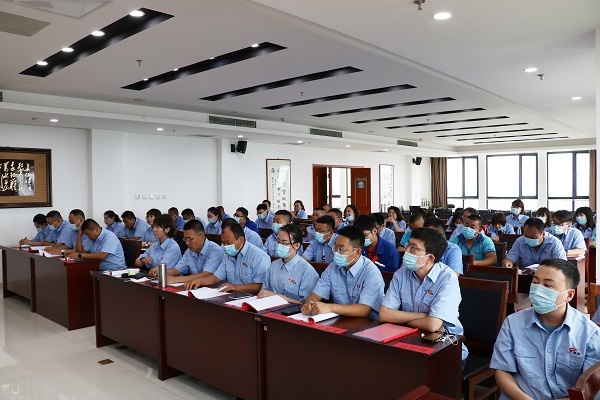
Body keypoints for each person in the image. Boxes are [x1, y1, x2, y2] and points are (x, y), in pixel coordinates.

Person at [490, 258, 600, 400]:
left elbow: (589, 390)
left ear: (569, 295)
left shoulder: (590, 334)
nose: (538, 290)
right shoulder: (513, 323)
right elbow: (502, 371)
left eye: (548, 285)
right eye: (535, 283)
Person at [379, 228, 468, 361]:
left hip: (446, 345)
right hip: (409, 340)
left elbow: (432, 325)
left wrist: (400, 319)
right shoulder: (401, 274)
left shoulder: (447, 278)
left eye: (414, 248)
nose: (407, 251)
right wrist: (423, 316)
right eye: (408, 245)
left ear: (430, 258)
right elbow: (384, 314)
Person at [301, 226, 384, 320]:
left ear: (357, 252)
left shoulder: (371, 272)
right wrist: (309, 305)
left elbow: (364, 310)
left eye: (341, 249)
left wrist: (330, 307)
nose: (336, 252)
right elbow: (315, 295)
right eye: (335, 247)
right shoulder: (332, 268)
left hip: (367, 323)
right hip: (339, 319)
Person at [149, 219, 224, 289]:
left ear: (201, 237)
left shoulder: (215, 250)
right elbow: (176, 270)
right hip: (195, 289)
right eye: (185, 239)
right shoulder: (189, 251)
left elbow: (205, 275)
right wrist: (160, 272)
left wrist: (175, 279)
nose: (187, 243)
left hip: (213, 290)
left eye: (190, 239)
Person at [198, 223, 270, 294]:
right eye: (223, 243)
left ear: (241, 240)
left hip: (252, 298)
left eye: (228, 243)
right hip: (232, 296)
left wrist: (235, 287)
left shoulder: (258, 256)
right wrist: (200, 281)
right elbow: (216, 277)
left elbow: (260, 286)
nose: (225, 247)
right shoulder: (228, 255)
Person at [258, 224, 319, 304]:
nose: (279, 245)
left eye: (284, 243)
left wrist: (276, 297)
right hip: (269, 307)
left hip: (295, 310)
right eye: (278, 241)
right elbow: (264, 291)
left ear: (296, 245)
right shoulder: (274, 265)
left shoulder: (307, 271)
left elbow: (306, 304)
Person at [502, 218, 567, 269]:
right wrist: (507, 263)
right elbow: (510, 258)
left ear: (543, 234)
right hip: (525, 277)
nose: (529, 239)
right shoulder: (520, 241)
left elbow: (561, 267)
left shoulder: (555, 243)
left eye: (533, 237)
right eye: (526, 236)